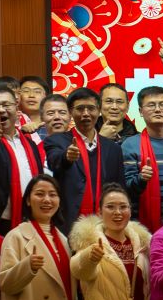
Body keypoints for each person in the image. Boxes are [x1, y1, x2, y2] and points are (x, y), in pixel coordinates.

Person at [69, 184, 147, 300]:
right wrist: (90, 257)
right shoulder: (90, 242)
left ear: (130, 211)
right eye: (110, 207)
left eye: (123, 207)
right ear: (99, 212)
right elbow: (78, 269)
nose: (117, 212)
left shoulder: (143, 244)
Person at [0, 177, 79, 300]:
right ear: (28, 200)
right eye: (40, 194)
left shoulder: (64, 240)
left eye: (52, 195)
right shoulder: (16, 236)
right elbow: (4, 283)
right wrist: (27, 267)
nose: (47, 200)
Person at [0, 82, 48, 232]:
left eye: (6, 105)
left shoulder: (29, 144)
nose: (1, 110)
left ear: (16, 108)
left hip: (32, 217)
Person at [46, 88, 126, 232]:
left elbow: (119, 188)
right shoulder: (57, 140)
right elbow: (54, 162)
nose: (86, 113)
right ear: (70, 112)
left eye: (91, 108)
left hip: (106, 224)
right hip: (68, 223)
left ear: (99, 110)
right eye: (80, 109)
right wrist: (66, 157)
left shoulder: (113, 148)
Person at [122, 85, 163, 233]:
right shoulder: (130, 145)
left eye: (162, 104)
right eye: (151, 105)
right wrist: (141, 179)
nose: (158, 109)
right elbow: (125, 188)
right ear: (141, 111)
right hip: (141, 226)